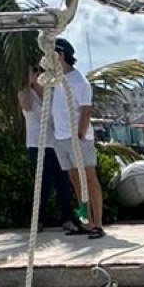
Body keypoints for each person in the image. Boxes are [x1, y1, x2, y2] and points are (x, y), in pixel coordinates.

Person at [19, 56, 81, 232]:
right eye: (34, 71)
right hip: (36, 144)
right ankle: (38, 220)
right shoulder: (24, 93)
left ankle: (67, 219)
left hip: (54, 143)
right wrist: (29, 84)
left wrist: (40, 86)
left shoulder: (51, 93)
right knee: (43, 184)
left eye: (39, 71)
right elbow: (27, 107)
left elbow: (54, 111)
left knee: (62, 182)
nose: (37, 74)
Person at [51, 41, 105, 238]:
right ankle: (86, 222)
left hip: (78, 138)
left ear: (61, 55)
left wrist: (80, 135)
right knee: (75, 180)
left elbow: (86, 109)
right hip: (61, 137)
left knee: (89, 179)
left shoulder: (78, 80)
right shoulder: (55, 80)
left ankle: (97, 223)